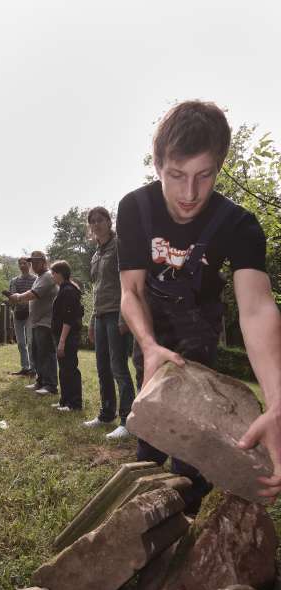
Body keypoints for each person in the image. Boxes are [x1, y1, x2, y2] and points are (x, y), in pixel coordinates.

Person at [116, 100, 281, 505]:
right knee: (150, 425)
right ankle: (146, 506)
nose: (190, 193)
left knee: (198, 438)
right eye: (176, 175)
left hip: (200, 323)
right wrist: (149, 344)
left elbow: (257, 309)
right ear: (157, 165)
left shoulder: (240, 225)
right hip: (151, 321)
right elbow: (131, 292)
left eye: (204, 175)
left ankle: (194, 507)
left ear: (219, 167)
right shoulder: (135, 208)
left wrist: (277, 401)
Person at [83, 206, 135, 439]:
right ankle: (106, 414)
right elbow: (96, 289)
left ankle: (127, 420)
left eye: (100, 219)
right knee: (102, 366)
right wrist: (92, 319)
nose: (96, 224)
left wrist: (125, 316)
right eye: (92, 221)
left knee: (119, 368)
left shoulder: (120, 246)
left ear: (108, 221)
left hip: (117, 313)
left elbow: (128, 283)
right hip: (101, 315)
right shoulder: (95, 254)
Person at [9, 250, 58, 396]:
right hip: (37, 322)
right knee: (37, 353)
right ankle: (40, 381)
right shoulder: (39, 277)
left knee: (46, 354)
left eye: (36, 262)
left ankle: (50, 385)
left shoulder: (48, 276)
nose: (33, 265)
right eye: (32, 262)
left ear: (44, 262)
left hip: (46, 321)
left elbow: (33, 294)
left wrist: (17, 297)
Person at [50, 260, 84, 411]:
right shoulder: (64, 289)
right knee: (64, 369)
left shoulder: (68, 291)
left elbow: (68, 319)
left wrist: (62, 341)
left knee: (70, 369)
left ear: (59, 274)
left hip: (68, 336)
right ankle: (64, 400)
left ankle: (74, 403)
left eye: (53, 274)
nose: (52, 277)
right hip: (63, 336)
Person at [9, 257, 37, 376]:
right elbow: (12, 299)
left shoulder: (36, 279)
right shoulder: (14, 281)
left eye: (24, 263)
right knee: (21, 343)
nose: (22, 265)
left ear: (29, 265)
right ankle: (25, 367)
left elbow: (35, 296)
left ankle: (33, 368)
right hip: (17, 314)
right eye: (20, 263)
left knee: (31, 342)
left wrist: (21, 299)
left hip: (31, 314)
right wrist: (15, 300)